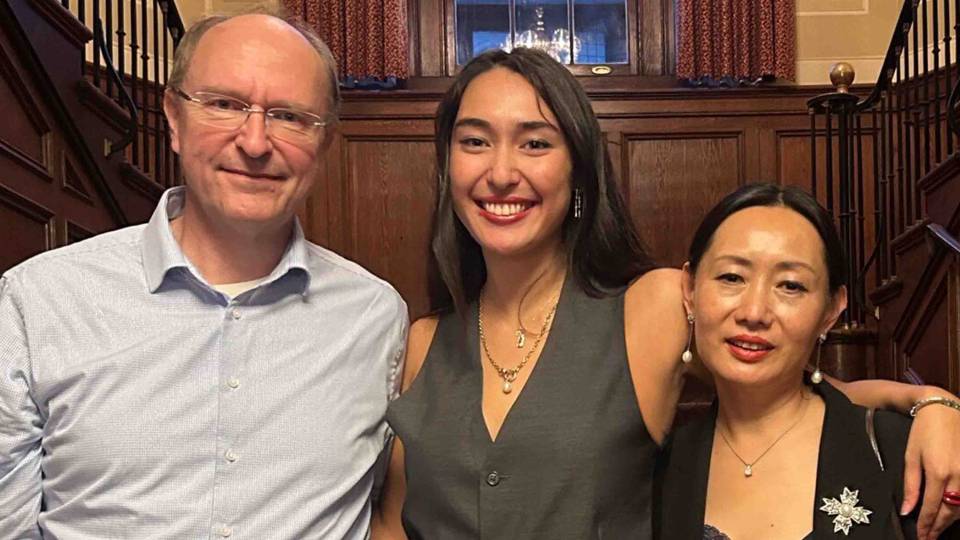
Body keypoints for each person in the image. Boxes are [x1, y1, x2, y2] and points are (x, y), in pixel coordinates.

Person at [373, 48, 960, 540]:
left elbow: (792, 391)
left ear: (579, 170)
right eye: (474, 141)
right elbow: (396, 523)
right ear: (447, 164)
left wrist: (932, 405)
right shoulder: (424, 341)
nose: (501, 172)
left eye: (535, 144)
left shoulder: (648, 308)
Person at [0, 10, 406, 539]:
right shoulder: (39, 302)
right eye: (224, 105)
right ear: (172, 117)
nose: (256, 142)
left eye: (289, 116)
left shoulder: (375, 317)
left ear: (325, 143)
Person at [656, 183, 960, 540]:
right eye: (731, 277)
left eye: (791, 286)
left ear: (831, 311)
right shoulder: (657, 467)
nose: (754, 312)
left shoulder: (908, 453)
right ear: (690, 291)